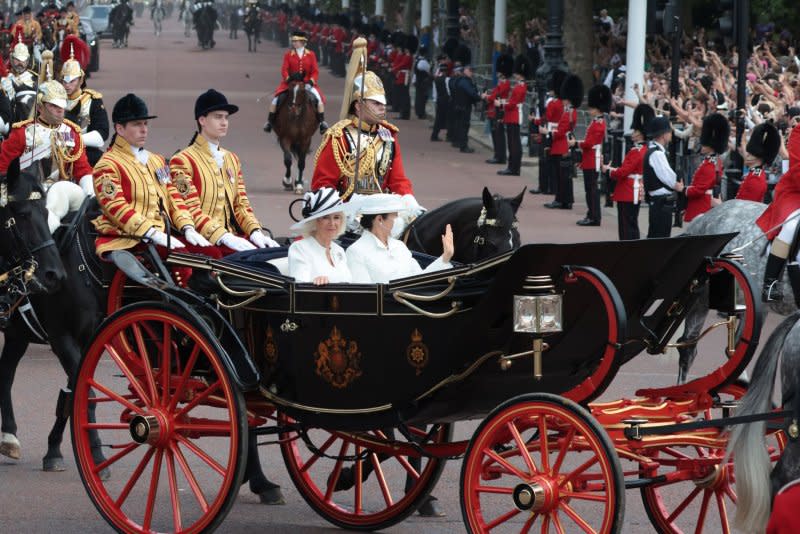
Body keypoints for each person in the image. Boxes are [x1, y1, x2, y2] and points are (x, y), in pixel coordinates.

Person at [92, 93, 218, 264]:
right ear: (120, 129)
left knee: (212, 254)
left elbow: (173, 196)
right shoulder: (107, 164)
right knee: (185, 266)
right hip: (129, 238)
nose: (144, 129)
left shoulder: (156, 160)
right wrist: (151, 232)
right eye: (137, 125)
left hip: (163, 235)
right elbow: (115, 206)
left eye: (145, 124)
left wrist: (187, 226)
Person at [170, 89, 279, 254]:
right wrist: (224, 236)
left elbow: (241, 205)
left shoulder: (232, 159)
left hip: (233, 236)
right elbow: (190, 209)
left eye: (226, 117)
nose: (224, 122)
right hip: (204, 238)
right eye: (218, 117)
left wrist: (255, 231)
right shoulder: (183, 160)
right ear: (202, 120)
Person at [0, 51, 94, 234]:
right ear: (41, 107)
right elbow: (3, 168)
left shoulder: (71, 132)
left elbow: (82, 169)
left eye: (63, 105)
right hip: (30, 196)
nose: (61, 111)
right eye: (54, 106)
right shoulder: (22, 133)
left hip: (64, 195)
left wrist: (90, 193)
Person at [346, 194, 453, 283]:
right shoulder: (356, 251)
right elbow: (364, 295)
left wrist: (445, 257)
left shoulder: (399, 246)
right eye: (395, 216)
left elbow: (419, 278)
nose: (399, 220)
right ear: (379, 219)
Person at [756, 121, 800, 302]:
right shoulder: (799, 132)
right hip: (794, 192)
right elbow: (797, 169)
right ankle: (770, 283)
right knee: (791, 226)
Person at [264, 30, 328, 134]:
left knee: (319, 100)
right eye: (293, 41)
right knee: (275, 100)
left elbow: (315, 71)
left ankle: (322, 123)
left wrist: (311, 82)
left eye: (296, 41)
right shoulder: (288, 55)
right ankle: (270, 122)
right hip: (291, 83)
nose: (294, 43)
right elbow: (284, 69)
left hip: (307, 83)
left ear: (302, 42)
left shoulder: (311, 54)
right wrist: (288, 79)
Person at [605, 104, 653, 240]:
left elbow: (623, 172)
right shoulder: (644, 150)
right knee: (632, 223)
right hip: (635, 190)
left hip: (628, 191)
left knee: (626, 226)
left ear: (640, 133)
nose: (632, 133)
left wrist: (608, 171)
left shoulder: (636, 151)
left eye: (635, 131)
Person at [59, 39, 109, 167]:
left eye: (71, 81)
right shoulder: (55, 100)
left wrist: (76, 140)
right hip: (57, 152)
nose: (67, 85)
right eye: (64, 81)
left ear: (80, 80)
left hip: (86, 153)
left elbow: (102, 132)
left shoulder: (93, 100)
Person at [287, 187, 351, 285]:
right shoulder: (299, 248)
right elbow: (299, 288)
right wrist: (314, 282)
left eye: (336, 217)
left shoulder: (339, 250)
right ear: (315, 221)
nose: (332, 223)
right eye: (326, 217)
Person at [544, 74, 582, 210]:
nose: (563, 101)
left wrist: (548, 133)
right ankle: (566, 200)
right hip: (565, 146)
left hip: (561, 147)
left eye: (565, 99)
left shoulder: (568, 113)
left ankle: (560, 200)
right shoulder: (571, 112)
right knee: (565, 176)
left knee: (561, 176)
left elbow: (560, 132)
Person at [576, 84, 612, 226]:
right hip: (589, 157)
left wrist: (576, 143)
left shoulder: (599, 123)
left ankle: (594, 217)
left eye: (591, 108)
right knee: (589, 189)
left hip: (592, 158)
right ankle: (591, 214)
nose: (589, 110)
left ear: (597, 108)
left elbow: (589, 143)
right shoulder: (597, 122)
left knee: (591, 190)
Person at [643, 116, 683, 238]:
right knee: (660, 238)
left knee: (657, 237)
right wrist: (678, 185)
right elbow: (669, 178)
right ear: (663, 134)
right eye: (669, 131)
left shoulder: (654, 151)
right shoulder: (657, 154)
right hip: (661, 202)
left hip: (658, 202)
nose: (671, 134)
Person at [684, 113, 729, 223]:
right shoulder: (712, 161)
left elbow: (699, 190)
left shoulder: (710, 165)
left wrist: (683, 189)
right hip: (703, 203)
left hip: (701, 206)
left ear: (711, 145)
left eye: (705, 144)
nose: (702, 145)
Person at [529, 70, 566, 196]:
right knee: (552, 162)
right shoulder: (562, 103)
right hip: (556, 132)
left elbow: (546, 118)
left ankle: (544, 186)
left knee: (544, 160)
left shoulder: (553, 103)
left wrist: (535, 120)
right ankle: (551, 187)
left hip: (548, 131)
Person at [499, 55, 531, 176]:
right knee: (512, 142)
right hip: (513, 115)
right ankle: (512, 166)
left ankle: (514, 168)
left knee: (514, 143)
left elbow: (512, 104)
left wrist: (501, 104)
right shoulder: (520, 86)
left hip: (514, 115)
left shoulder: (520, 87)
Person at [736, 122, 780, 203]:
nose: (747, 156)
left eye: (751, 154)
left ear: (759, 158)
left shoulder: (755, 179)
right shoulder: (754, 174)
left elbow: (745, 207)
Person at [0, 36, 37, 129]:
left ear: (28, 60)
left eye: (23, 60)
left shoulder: (35, 77)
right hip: (11, 120)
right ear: (12, 59)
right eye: (17, 60)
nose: (20, 63)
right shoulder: (6, 77)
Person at [483, 53, 512, 165]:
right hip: (493, 110)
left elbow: (496, 95)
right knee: (495, 134)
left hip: (498, 111)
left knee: (498, 135)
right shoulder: (501, 84)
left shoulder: (505, 84)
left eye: (499, 74)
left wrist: (487, 97)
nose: (498, 75)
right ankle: (497, 154)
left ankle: (500, 156)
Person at [451, 50, 482, 154]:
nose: (471, 73)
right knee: (464, 126)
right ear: (465, 70)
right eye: (470, 71)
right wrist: (479, 97)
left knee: (460, 125)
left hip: (459, 105)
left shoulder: (460, 80)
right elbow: (471, 93)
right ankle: (463, 145)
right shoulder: (464, 81)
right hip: (464, 106)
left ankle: (460, 142)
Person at [391, 34, 412, 120]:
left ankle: (404, 114)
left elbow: (401, 64)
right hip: (402, 76)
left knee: (404, 96)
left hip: (404, 77)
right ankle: (403, 113)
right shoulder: (406, 55)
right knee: (402, 96)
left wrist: (394, 68)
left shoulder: (408, 56)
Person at [430, 56, 451, 142]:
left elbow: (435, 90)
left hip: (439, 99)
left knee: (438, 119)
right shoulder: (447, 79)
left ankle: (434, 135)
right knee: (448, 118)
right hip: (446, 100)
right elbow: (449, 91)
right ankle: (448, 136)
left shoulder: (437, 79)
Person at [412, 44, 431, 120]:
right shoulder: (423, 62)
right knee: (422, 98)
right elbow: (428, 71)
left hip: (418, 81)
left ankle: (419, 111)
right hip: (423, 82)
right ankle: (421, 113)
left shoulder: (418, 60)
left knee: (418, 97)